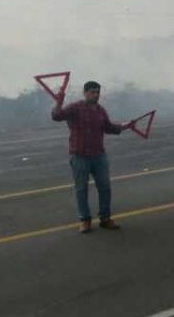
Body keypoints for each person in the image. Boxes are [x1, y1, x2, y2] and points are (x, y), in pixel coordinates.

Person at [51, 80, 134, 233]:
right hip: (79, 155)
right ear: (85, 93)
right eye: (92, 92)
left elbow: (108, 127)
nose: (96, 95)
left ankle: (105, 218)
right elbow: (57, 116)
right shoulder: (75, 108)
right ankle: (85, 220)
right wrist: (58, 102)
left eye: (97, 92)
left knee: (105, 188)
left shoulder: (100, 110)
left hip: (98, 155)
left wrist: (125, 126)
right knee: (81, 189)